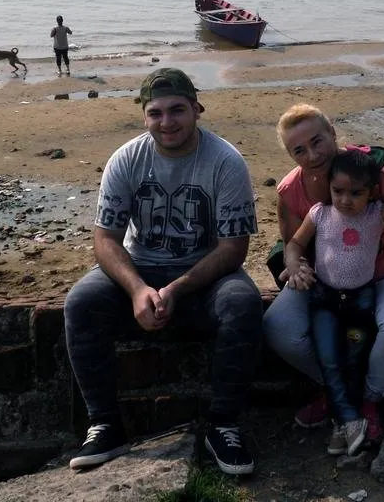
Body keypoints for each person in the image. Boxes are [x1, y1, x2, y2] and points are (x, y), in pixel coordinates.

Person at [63, 68, 262, 476]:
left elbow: (233, 249)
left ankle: (224, 424)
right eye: (156, 113)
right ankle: (105, 424)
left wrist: (177, 288)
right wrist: (137, 289)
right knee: (81, 303)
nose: (167, 122)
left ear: (197, 109)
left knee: (242, 303)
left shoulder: (226, 162)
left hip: (205, 276)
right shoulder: (126, 160)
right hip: (141, 267)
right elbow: (105, 240)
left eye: (177, 110)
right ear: (144, 116)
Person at [263, 104, 384, 444]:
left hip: (383, 274)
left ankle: (369, 398)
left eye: (317, 141)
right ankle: (336, 390)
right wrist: (296, 267)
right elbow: (294, 245)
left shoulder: (378, 169)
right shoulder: (290, 190)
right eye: (299, 150)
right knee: (278, 327)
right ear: (290, 155)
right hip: (326, 280)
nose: (313, 155)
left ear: (332, 132)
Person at [284, 149, 384, 457]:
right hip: (324, 301)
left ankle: (344, 420)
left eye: (356, 193)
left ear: (372, 192)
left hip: (360, 302)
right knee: (328, 359)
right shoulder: (319, 214)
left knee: (354, 361)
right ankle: (350, 420)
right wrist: (293, 263)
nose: (345, 200)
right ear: (329, 187)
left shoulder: (376, 214)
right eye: (338, 191)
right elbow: (295, 243)